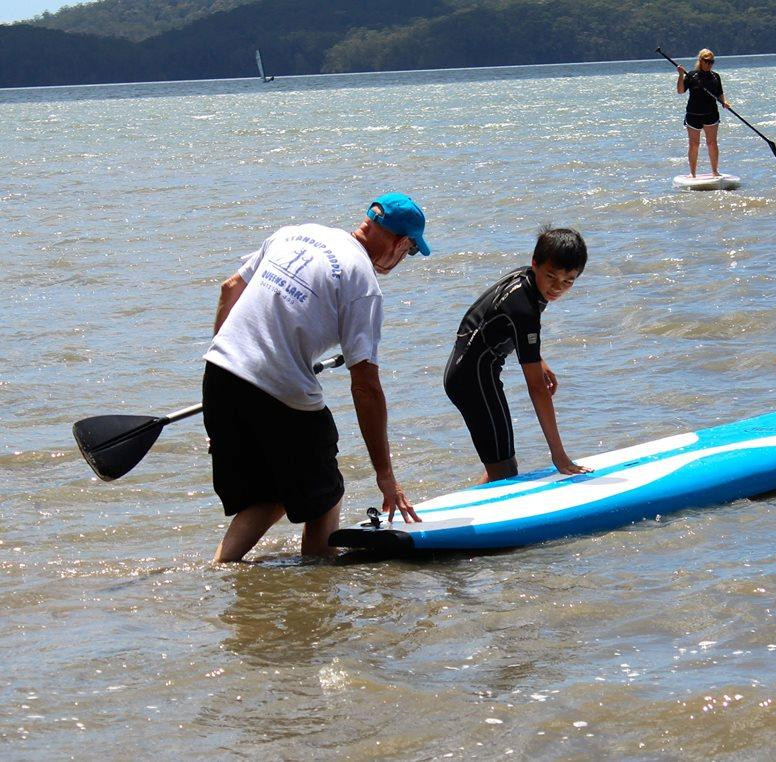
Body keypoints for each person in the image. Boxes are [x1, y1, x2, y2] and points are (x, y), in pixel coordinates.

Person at [202, 192, 430, 562]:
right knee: (326, 498)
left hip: (219, 372)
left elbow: (230, 288)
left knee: (270, 495)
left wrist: (227, 392)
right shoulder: (362, 283)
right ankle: (318, 576)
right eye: (411, 250)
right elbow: (366, 387)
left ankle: (219, 571)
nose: (405, 257)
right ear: (401, 243)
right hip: (280, 392)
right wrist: (385, 475)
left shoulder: (294, 232)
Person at [443, 226, 592, 483]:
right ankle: (468, 509)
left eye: (568, 281)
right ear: (535, 263)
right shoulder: (525, 308)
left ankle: (470, 502)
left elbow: (499, 324)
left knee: (501, 467)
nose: (557, 287)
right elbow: (537, 388)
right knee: (505, 471)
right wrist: (559, 455)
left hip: (466, 371)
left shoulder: (526, 280)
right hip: (473, 381)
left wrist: (538, 359)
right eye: (551, 277)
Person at [676, 48, 731, 178]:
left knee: (712, 143)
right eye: (706, 61)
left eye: (711, 62)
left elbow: (720, 93)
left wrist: (725, 102)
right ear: (700, 61)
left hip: (711, 114)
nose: (709, 64)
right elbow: (680, 91)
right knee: (694, 144)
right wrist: (681, 75)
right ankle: (692, 173)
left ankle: (715, 171)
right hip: (693, 114)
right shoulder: (692, 75)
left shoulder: (715, 76)